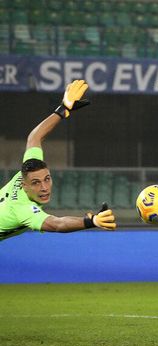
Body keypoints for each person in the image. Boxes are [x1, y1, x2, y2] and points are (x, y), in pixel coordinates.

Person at [0, 80, 116, 242]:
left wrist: (63, 109)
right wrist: (92, 221)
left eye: (46, 179)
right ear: (24, 185)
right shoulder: (22, 209)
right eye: (36, 183)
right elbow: (57, 224)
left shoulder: (28, 171)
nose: (44, 188)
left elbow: (35, 137)